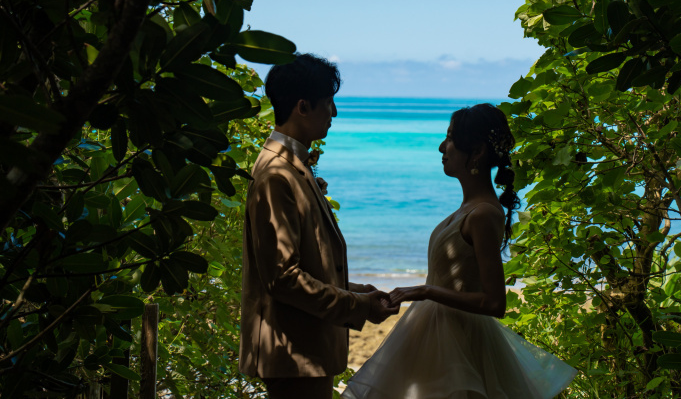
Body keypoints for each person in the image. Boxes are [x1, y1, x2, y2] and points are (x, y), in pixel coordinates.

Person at [342, 103, 578, 399]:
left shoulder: (483, 214)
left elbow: (495, 303)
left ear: (476, 152)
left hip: (458, 342)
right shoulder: (469, 210)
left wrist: (425, 291)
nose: (442, 146)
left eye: (450, 138)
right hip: (434, 334)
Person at [239, 53, 398, 399]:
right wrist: (358, 305)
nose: (335, 113)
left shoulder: (291, 165)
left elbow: (307, 265)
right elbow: (283, 278)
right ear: (303, 107)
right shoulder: (277, 175)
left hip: (303, 353)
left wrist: (355, 290)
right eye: (329, 103)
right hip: (294, 354)